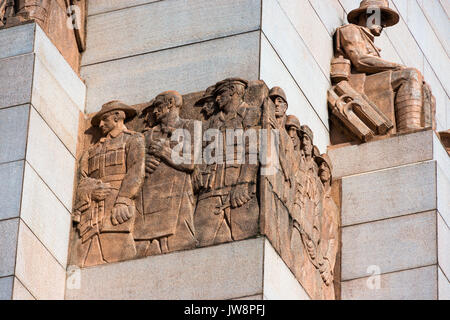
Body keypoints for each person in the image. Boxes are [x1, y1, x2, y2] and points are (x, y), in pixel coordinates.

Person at [335, 0, 435, 132]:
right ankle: (408, 126)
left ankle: (428, 130)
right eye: (380, 18)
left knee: (425, 87)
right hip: (358, 83)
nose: (383, 24)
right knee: (409, 75)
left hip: (373, 81)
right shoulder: (351, 30)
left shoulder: (371, 42)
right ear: (368, 15)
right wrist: (396, 67)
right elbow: (360, 60)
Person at [72, 101, 145, 267]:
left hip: (117, 208)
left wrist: (123, 200)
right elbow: (82, 179)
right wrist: (90, 191)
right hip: (91, 213)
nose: (100, 124)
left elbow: (136, 171)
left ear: (117, 117)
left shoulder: (133, 139)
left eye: (105, 119)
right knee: (81, 260)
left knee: (122, 256)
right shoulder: (92, 150)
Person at [193, 78, 260, 246]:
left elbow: (253, 151)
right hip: (210, 190)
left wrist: (244, 184)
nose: (217, 99)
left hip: (238, 192)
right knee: (199, 241)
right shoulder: (212, 123)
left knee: (246, 240)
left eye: (221, 94)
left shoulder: (250, 114)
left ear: (233, 92)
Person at [133, 91, 197, 256]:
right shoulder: (146, 135)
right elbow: (134, 165)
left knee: (180, 248)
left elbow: (190, 163)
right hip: (148, 200)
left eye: (158, 106)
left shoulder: (190, 126)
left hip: (178, 197)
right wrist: (143, 165)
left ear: (170, 103)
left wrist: (165, 152)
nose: (155, 112)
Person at [315, 153, 338, 299]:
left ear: (330, 174)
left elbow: (333, 238)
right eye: (320, 165)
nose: (322, 168)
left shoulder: (331, 205)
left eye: (325, 165)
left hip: (324, 260)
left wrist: (329, 263)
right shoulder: (314, 192)